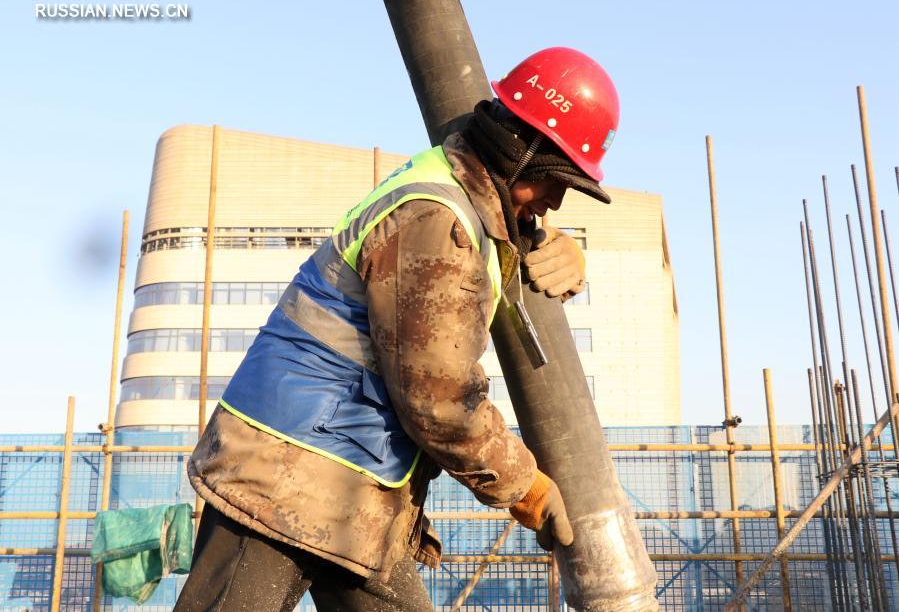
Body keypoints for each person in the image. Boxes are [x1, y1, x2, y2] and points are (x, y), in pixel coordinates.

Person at [174, 46, 619, 612]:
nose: (558, 199)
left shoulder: (454, 194)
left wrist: (541, 240)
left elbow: (485, 240)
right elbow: (439, 398)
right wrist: (523, 485)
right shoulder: (438, 220)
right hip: (280, 479)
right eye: (556, 178)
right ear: (517, 148)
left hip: (353, 486)